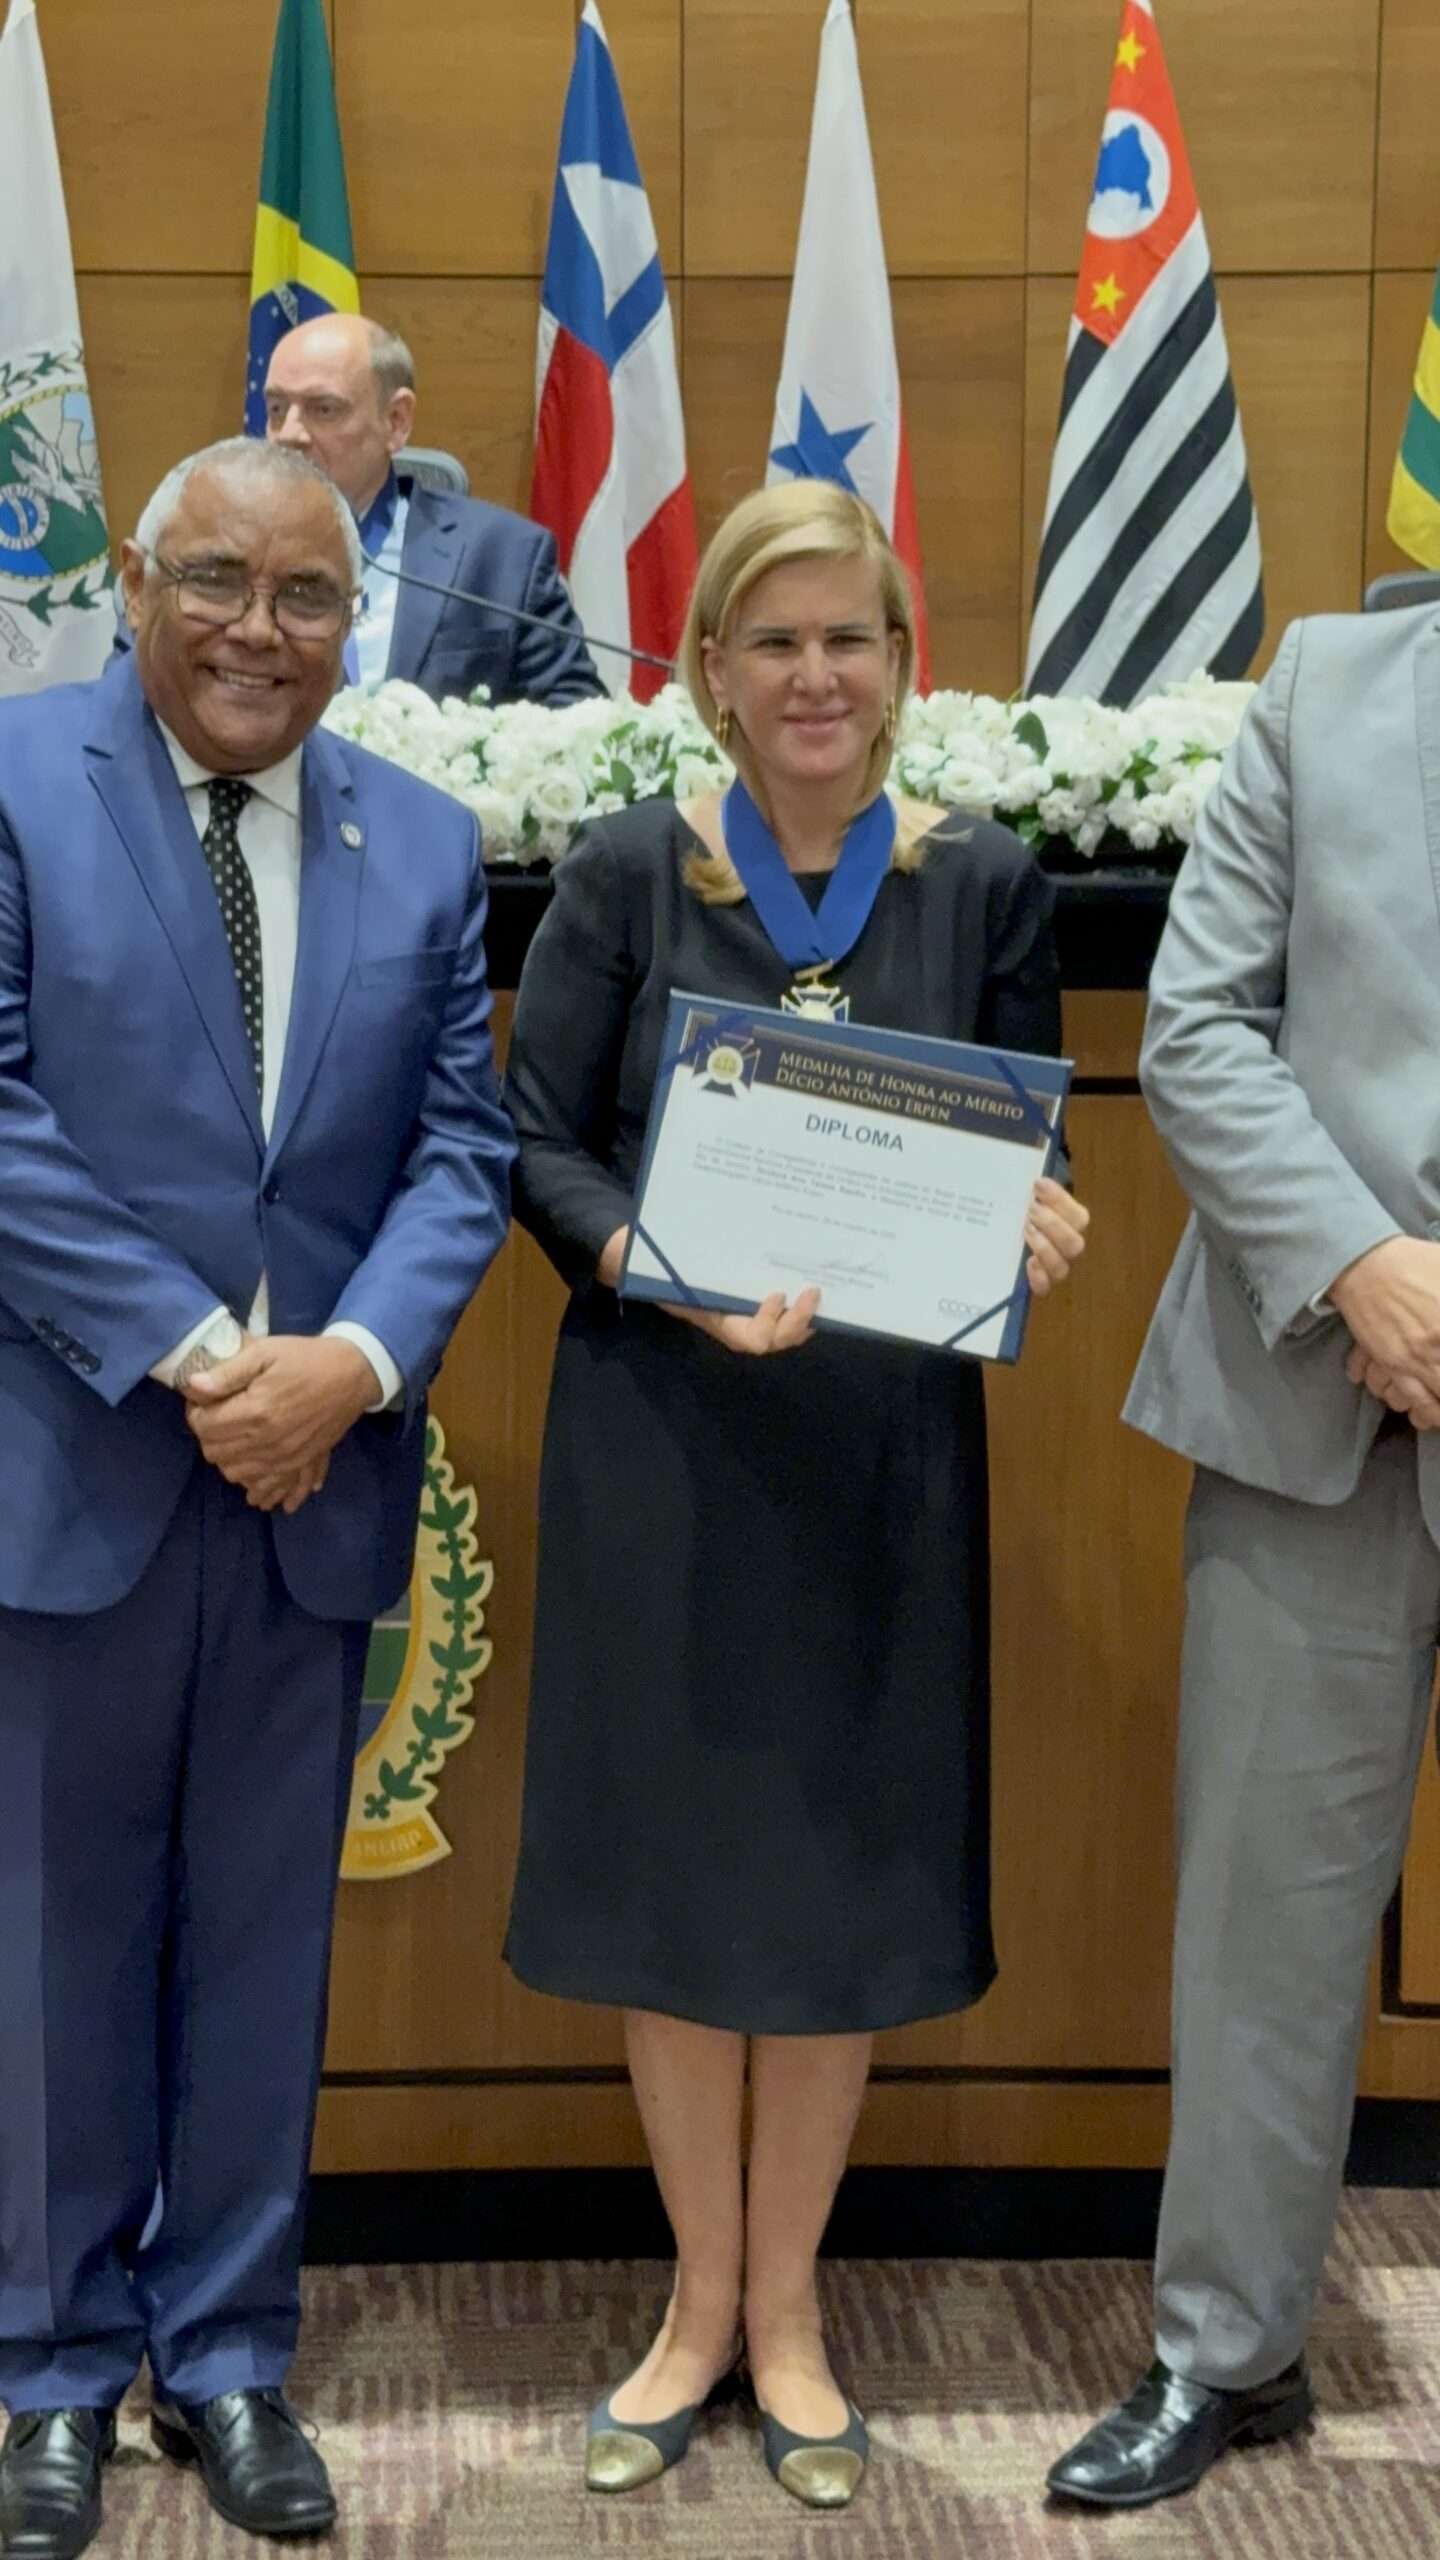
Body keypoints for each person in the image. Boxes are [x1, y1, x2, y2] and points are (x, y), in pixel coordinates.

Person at [502, 480, 1090, 2510]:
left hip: (881, 1458)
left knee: (832, 1885)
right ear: (715, 674)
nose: (816, 675)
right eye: (776, 640)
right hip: (671, 1435)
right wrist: (653, 1263)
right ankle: (691, 2304)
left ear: (905, 668)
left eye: (852, 638)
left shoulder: (987, 880)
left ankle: (791, 2316)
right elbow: (533, 1140)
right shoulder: (625, 870)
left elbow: (1029, 1140)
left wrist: (1035, 1223)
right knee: (683, 1889)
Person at [0, 435, 513, 2560]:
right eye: (216, 580)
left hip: (319, 1479)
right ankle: (44, 2365)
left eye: (306, 596)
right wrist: (219, 1357)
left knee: (260, 1938)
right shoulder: (20, 778)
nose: (256, 632)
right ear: (136, 581)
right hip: (89, 1460)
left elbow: (463, 1147)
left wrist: (354, 1365)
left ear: (351, 619)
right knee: (52, 1936)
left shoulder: (425, 840)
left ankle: (224, 2351)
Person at [1046, 602, 1440, 2510]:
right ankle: (1229, 2352)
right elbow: (1198, 1029)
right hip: (1317, 1412)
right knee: (1263, 1931)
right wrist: (1361, 1268)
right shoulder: (1329, 685)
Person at [262, 312, 605, 706]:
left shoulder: (502, 557)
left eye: (323, 409)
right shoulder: (232, 555)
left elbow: (575, 714)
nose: (288, 434)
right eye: (275, 410)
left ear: (396, 421)